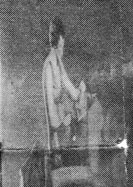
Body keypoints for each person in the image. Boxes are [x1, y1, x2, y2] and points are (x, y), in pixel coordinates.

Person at [43, 16, 89, 169]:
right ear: (61, 40)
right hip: (56, 131)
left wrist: (81, 91)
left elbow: (70, 89)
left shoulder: (58, 63)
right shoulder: (49, 65)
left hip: (64, 127)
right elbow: (50, 108)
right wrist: (62, 124)